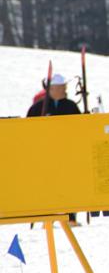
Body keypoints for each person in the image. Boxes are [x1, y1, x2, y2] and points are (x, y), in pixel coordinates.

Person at [27, 73, 82, 227]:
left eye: (64, 86)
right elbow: (27, 129)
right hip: (45, 153)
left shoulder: (71, 106)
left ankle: (71, 217)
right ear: (52, 89)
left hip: (67, 152)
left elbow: (80, 127)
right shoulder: (38, 107)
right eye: (61, 87)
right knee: (48, 186)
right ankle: (48, 218)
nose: (65, 89)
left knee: (70, 184)